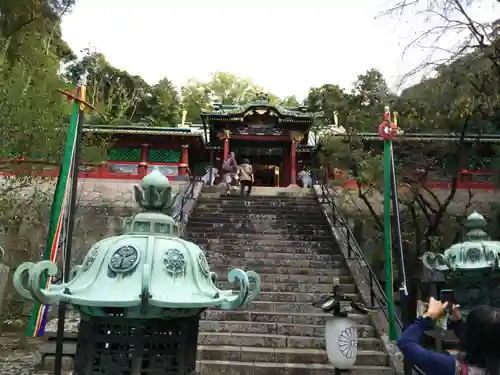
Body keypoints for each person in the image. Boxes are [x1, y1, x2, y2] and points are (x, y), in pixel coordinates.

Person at [397, 297, 500, 375]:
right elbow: (482, 338)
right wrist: (458, 323)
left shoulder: (450, 367)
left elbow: (406, 343)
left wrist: (428, 316)